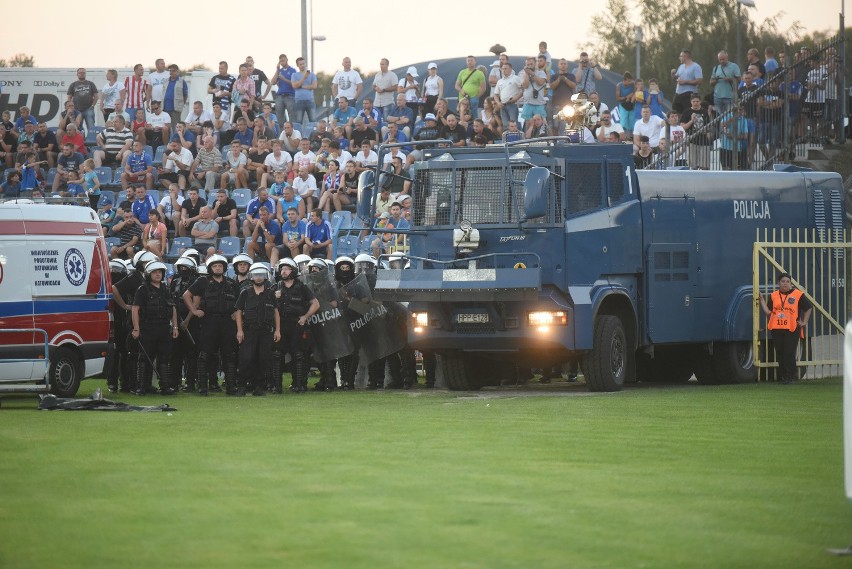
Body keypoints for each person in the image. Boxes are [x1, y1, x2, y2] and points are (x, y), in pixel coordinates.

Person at [184, 255, 240, 395]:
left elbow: (240, 302)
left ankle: (231, 387)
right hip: (209, 322)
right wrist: (194, 310)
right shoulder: (202, 281)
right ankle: (203, 387)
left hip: (227, 322)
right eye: (215, 266)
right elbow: (186, 295)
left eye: (220, 266)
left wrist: (236, 313)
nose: (218, 268)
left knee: (230, 355)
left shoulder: (232, 283)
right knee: (205, 355)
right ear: (210, 268)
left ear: (224, 268)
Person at [272, 258, 320, 393]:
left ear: (293, 271)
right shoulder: (275, 287)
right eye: (282, 269)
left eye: (286, 269)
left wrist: (305, 317)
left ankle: (299, 385)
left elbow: (315, 304)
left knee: (299, 355)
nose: (283, 271)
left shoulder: (302, 287)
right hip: (280, 325)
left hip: (297, 324)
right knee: (277, 355)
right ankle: (276, 386)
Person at [235, 263, 281, 396]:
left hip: (266, 331)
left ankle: (259, 387)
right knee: (246, 358)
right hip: (249, 331)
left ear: (265, 276)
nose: (259, 278)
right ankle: (242, 386)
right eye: (256, 275)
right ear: (251, 277)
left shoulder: (270, 293)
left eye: (261, 275)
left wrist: (277, 330)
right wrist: (239, 330)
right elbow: (239, 312)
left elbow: (276, 312)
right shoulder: (245, 293)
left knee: (263, 359)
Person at [759, 273, 812, 384]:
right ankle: (783, 377)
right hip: (776, 329)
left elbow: (808, 308)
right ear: (779, 283)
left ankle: (791, 376)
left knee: (789, 352)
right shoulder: (773, 295)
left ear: (790, 283)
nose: (785, 283)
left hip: (792, 329)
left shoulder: (798, 295)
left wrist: (804, 322)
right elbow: (768, 312)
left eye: (787, 281)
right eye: (783, 281)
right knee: (780, 352)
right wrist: (762, 301)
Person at [67, 68, 98, 133]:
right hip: (77, 110)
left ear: (85, 74)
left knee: (91, 127)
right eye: (80, 73)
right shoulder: (73, 85)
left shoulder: (90, 83)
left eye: (83, 73)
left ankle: (91, 141)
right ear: (77, 74)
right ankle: (80, 141)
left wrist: (92, 106)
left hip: (89, 109)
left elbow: (96, 96)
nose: (82, 74)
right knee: (77, 127)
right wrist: (71, 107)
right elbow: (69, 98)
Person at [710, 50, 741, 116]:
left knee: (730, 116)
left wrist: (730, 79)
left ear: (727, 58)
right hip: (717, 97)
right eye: (720, 59)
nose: (722, 61)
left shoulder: (734, 66)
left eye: (723, 59)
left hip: (730, 97)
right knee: (719, 116)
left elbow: (739, 80)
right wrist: (716, 80)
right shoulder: (716, 68)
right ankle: (721, 126)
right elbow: (711, 83)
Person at [291, 57, 318, 126]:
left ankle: (313, 136)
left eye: (303, 63)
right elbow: (294, 86)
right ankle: (298, 136)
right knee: (298, 122)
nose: (302, 65)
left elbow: (314, 86)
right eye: (300, 64)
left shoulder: (312, 74)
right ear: (297, 65)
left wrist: (302, 86)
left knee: (313, 121)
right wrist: (304, 78)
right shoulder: (294, 75)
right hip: (299, 101)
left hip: (310, 100)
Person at [274, 54, 297, 126]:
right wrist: (277, 70)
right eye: (280, 61)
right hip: (280, 96)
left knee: (292, 118)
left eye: (283, 61)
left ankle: (293, 134)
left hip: (290, 96)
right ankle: (281, 135)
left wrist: (284, 79)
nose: (282, 63)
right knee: (279, 118)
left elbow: (294, 84)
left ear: (287, 60)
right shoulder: (279, 71)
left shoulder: (293, 70)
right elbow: (273, 82)